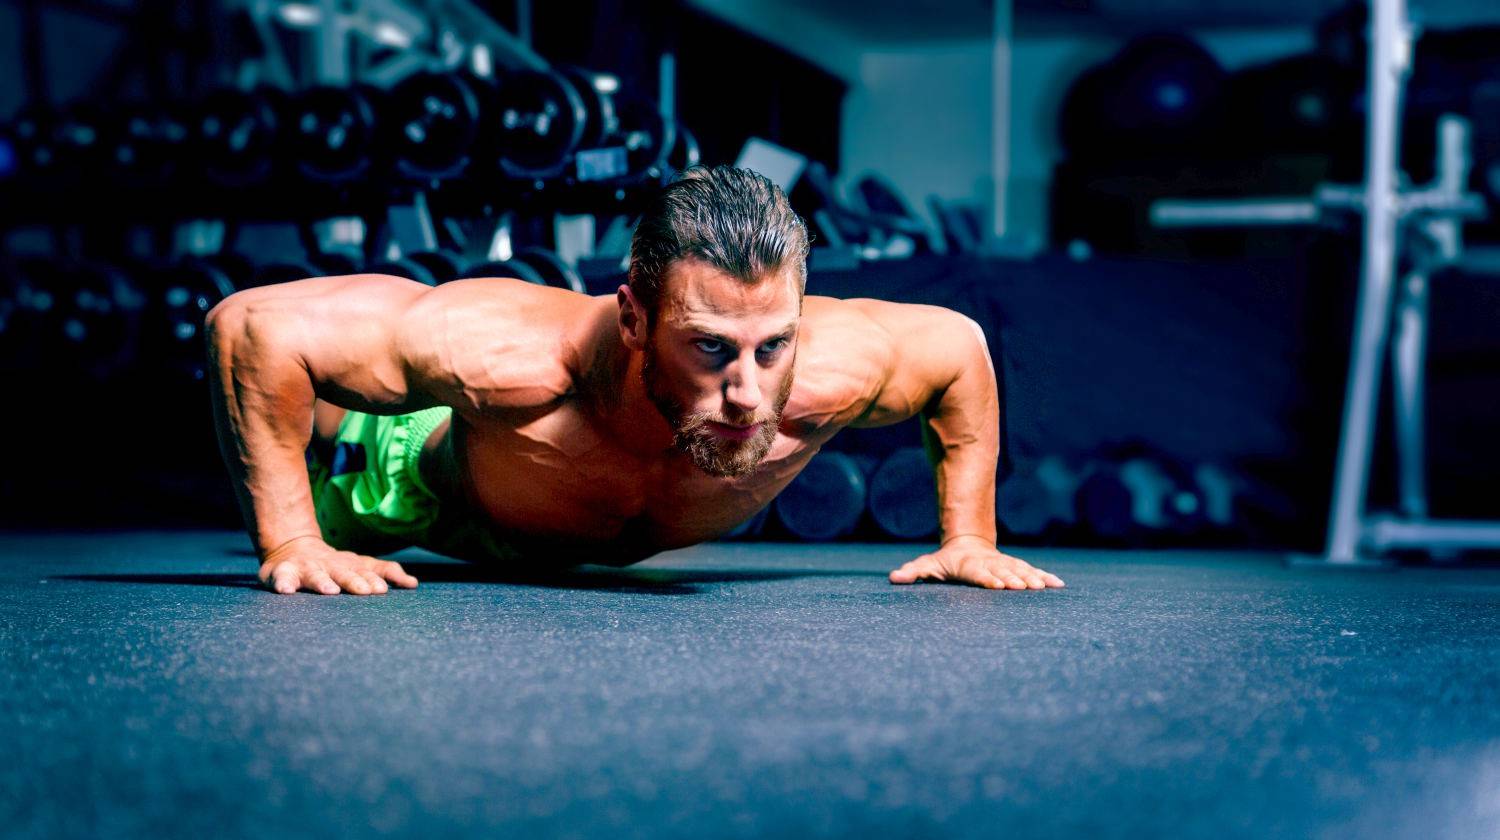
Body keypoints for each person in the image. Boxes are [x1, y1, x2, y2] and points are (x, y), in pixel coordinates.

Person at [206, 166, 1065, 595]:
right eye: (709, 348)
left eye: (772, 348)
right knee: (335, 427)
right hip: (421, 483)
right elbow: (250, 326)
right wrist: (290, 541)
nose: (746, 394)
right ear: (632, 320)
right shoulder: (512, 356)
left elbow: (959, 348)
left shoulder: (838, 366)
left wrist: (970, 538)